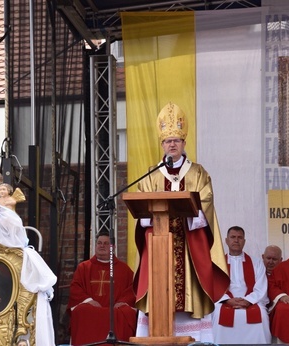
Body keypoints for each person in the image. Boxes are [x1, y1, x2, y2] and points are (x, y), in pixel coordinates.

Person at [133, 102, 229, 341]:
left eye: (176, 140)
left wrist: (189, 214)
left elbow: (205, 202)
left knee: (190, 291)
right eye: (168, 141)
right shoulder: (151, 175)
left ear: (184, 143)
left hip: (188, 249)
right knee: (157, 290)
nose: (172, 144)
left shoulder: (198, 173)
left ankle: (194, 339)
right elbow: (143, 210)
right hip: (159, 250)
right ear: (162, 145)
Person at [67, 230, 137, 345]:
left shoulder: (124, 270)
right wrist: (89, 301)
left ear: (113, 247)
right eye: (99, 243)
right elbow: (76, 287)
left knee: (126, 312)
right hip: (92, 308)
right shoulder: (84, 267)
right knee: (81, 311)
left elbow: (133, 289)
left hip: (115, 309)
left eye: (106, 243)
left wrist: (123, 301)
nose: (102, 246)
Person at [212, 226, 271, 344]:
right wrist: (228, 300)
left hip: (251, 300)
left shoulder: (256, 262)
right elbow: (214, 286)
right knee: (218, 313)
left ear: (244, 241)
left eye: (240, 237)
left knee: (262, 315)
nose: (236, 240)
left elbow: (261, 286)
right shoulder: (217, 263)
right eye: (233, 237)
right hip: (225, 300)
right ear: (226, 240)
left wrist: (248, 300)